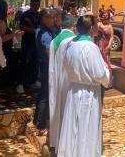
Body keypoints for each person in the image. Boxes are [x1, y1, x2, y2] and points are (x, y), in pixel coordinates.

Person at [57, 15, 112, 157]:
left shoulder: (70, 44)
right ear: (92, 28)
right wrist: (106, 71)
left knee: (73, 125)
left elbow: (66, 65)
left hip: (73, 90)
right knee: (86, 127)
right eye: (95, 25)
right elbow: (100, 74)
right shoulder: (90, 47)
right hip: (88, 93)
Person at [48, 14, 78, 153]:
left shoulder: (54, 40)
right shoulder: (72, 40)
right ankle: (67, 144)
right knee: (67, 110)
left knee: (56, 108)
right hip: (68, 81)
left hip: (55, 80)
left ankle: (55, 140)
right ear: (73, 26)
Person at [34, 9, 55, 135]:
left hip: (43, 66)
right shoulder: (46, 34)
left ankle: (37, 121)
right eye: (51, 17)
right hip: (46, 66)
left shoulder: (41, 29)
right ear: (44, 19)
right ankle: (41, 125)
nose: (53, 19)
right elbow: (50, 53)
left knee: (43, 93)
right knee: (45, 96)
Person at [0, 0, 24, 87]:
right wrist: (14, 34)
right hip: (2, 51)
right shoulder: (1, 21)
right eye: (6, 7)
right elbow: (0, 39)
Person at [17, 0, 41, 94]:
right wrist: (34, 31)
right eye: (35, 5)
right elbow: (22, 27)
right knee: (25, 63)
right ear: (31, 4)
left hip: (37, 43)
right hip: (27, 42)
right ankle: (20, 84)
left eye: (38, 5)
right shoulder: (25, 15)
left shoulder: (39, 15)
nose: (36, 7)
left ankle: (33, 81)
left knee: (35, 63)